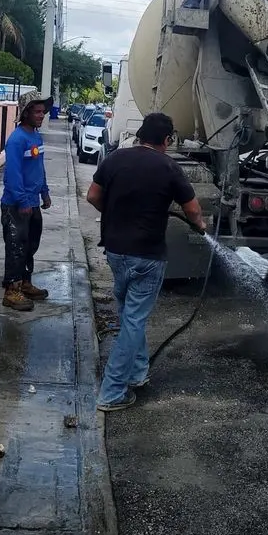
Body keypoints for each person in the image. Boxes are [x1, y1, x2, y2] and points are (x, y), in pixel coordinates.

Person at [86, 112, 206, 411]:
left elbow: (92, 196)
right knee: (133, 322)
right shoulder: (169, 166)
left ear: (140, 134)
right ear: (167, 140)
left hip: (115, 251)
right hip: (148, 257)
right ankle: (112, 393)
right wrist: (200, 226)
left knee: (129, 314)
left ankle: (138, 374)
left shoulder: (115, 159)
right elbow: (191, 209)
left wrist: (114, 213)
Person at [0, 93, 52, 311]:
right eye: (37, 112)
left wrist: (45, 192)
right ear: (26, 113)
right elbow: (13, 174)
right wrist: (22, 201)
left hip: (32, 202)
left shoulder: (36, 137)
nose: (42, 116)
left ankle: (25, 283)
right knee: (16, 247)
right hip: (16, 205)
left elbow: (38, 167)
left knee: (30, 245)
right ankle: (12, 291)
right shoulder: (17, 139)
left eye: (43, 111)